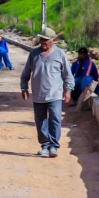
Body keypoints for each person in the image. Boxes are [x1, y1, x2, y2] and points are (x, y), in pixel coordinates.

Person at [20, 26, 74, 158]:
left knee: (55, 119)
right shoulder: (34, 54)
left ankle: (54, 146)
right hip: (38, 95)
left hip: (55, 94)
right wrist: (24, 87)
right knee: (41, 121)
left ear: (52, 41)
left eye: (46, 40)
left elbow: (68, 75)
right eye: (41, 40)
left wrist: (68, 91)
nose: (43, 42)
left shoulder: (60, 54)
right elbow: (26, 73)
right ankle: (45, 145)